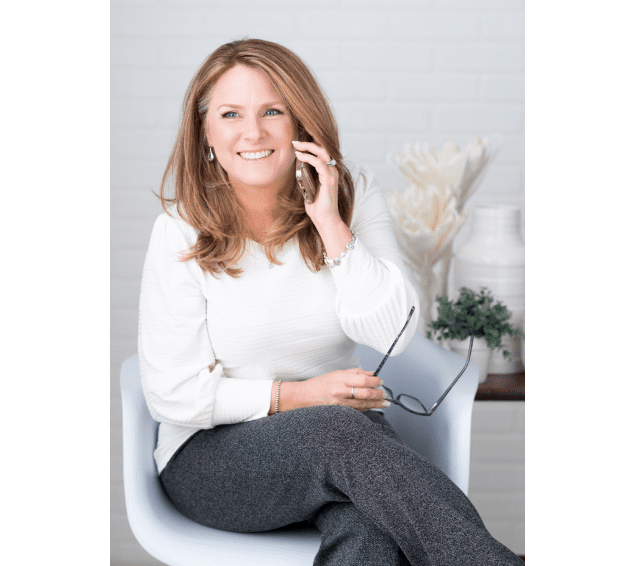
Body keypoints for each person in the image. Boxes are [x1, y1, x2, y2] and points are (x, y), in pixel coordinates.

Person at [138, 38, 523, 566]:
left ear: (301, 123)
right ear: (205, 132)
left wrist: (330, 223)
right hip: (212, 458)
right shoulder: (178, 231)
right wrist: (300, 396)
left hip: (342, 444)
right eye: (231, 114)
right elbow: (173, 396)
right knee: (338, 432)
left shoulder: (352, 197)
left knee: (370, 530)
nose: (253, 132)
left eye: (273, 110)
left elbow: (394, 333)